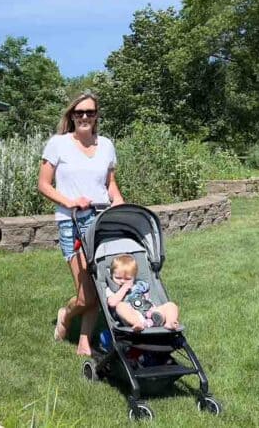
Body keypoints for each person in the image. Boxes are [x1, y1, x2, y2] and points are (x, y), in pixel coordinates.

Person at [38, 91, 124, 356]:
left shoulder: (107, 145)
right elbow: (43, 184)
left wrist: (120, 205)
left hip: (102, 221)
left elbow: (110, 185)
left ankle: (84, 340)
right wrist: (70, 201)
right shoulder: (58, 144)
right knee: (86, 293)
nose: (85, 117)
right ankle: (66, 314)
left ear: (97, 115)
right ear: (72, 116)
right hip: (72, 221)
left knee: (99, 285)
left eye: (90, 112)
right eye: (79, 112)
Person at [105, 254, 180, 331]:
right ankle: (137, 323)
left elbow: (147, 296)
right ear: (111, 275)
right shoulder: (111, 289)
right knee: (120, 306)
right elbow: (112, 303)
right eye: (118, 278)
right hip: (133, 316)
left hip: (152, 313)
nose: (122, 281)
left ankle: (170, 322)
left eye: (127, 279)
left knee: (171, 305)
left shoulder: (139, 285)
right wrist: (123, 289)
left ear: (134, 277)